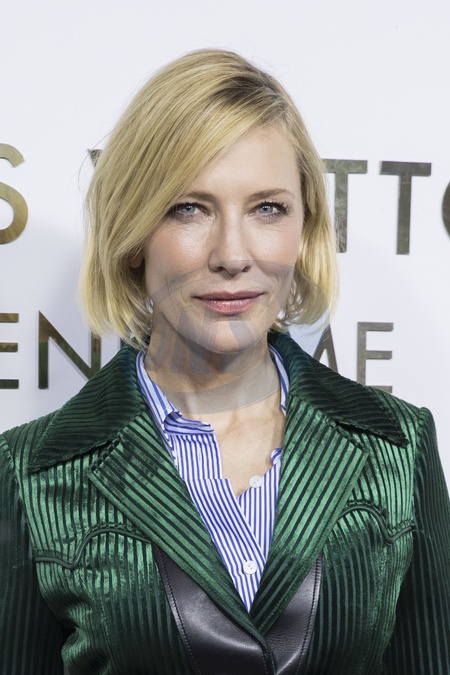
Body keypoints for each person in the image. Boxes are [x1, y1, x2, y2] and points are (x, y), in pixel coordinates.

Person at [0, 49, 449, 675]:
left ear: (305, 227)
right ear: (132, 233)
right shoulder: (30, 473)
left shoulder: (397, 446)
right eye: (189, 208)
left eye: (268, 208)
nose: (233, 254)